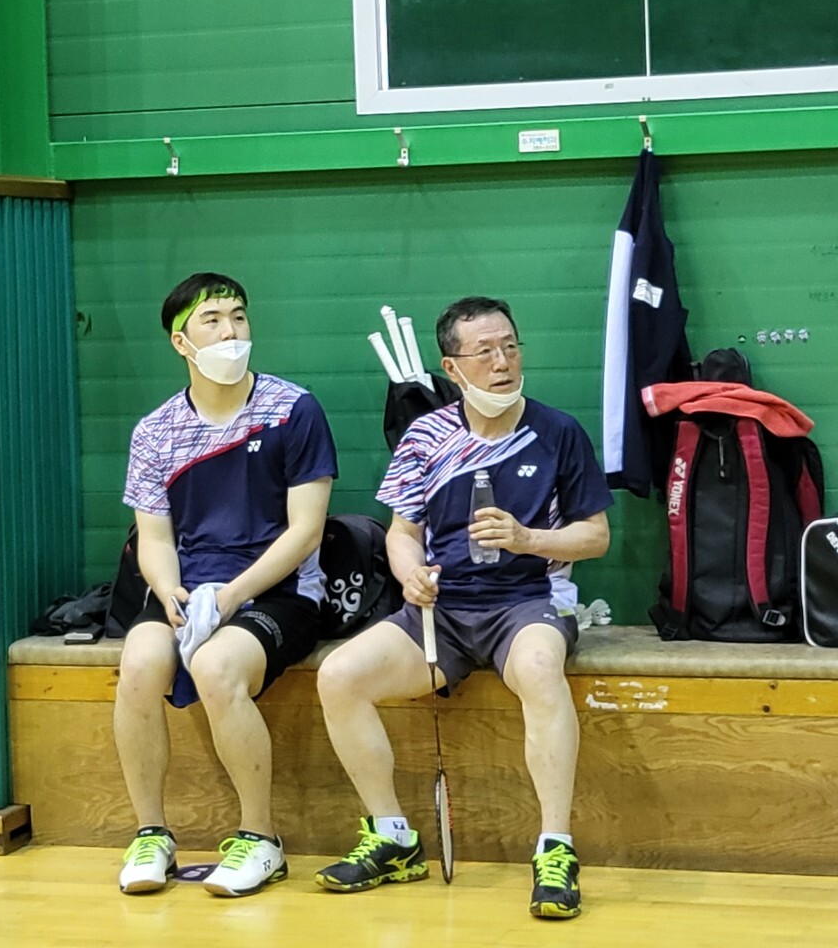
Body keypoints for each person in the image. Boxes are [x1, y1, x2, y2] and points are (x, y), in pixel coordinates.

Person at [315, 296, 612, 919]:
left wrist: (527, 539)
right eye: (485, 352)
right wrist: (409, 574)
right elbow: (402, 532)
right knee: (339, 676)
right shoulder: (425, 436)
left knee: (539, 671)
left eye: (510, 347)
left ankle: (555, 849)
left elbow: (595, 537)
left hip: (528, 603)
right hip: (441, 613)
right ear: (452, 368)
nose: (502, 363)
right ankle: (393, 839)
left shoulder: (558, 433)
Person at [115, 272, 337, 898]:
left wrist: (233, 595)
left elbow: (306, 532)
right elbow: (154, 538)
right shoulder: (155, 431)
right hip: (190, 590)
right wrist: (170, 592)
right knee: (139, 664)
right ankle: (151, 834)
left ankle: (260, 839)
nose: (230, 330)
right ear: (181, 343)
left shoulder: (293, 409)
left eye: (238, 315)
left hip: (280, 592)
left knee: (216, 667)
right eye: (211, 320)